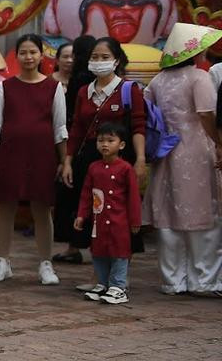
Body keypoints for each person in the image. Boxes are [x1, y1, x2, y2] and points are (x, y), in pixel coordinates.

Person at [142, 24, 222, 296]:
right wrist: (218, 142)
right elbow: (206, 114)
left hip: (166, 151)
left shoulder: (157, 81)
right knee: (203, 213)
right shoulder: (199, 78)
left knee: (168, 214)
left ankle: (172, 280)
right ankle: (204, 279)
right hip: (197, 151)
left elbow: (150, 116)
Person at [0, 34, 67, 286]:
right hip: (10, 154)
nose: (28, 57)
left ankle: (45, 263)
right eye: (23, 52)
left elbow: (60, 128)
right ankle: (3, 261)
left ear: (42, 55)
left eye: (33, 52)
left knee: (42, 208)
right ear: (16, 56)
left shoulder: (54, 87)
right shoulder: (4, 87)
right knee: (6, 207)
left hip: (42, 155)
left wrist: (65, 161)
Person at [59, 37, 147, 262]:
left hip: (121, 160)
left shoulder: (129, 89)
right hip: (88, 159)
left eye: (105, 57)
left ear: (116, 60)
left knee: (118, 210)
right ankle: (97, 270)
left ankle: (119, 273)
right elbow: (77, 128)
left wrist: (139, 159)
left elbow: (138, 126)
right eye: (95, 57)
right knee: (90, 208)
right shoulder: (83, 92)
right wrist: (67, 161)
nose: (99, 62)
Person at [75, 123, 141, 304]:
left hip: (119, 220)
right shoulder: (94, 168)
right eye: (101, 140)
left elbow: (134, 197)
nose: (105, 144)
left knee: (120, 253)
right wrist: (82, 215)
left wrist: (135, 220)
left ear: (121, 145)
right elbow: (87, 194)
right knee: (99, 252)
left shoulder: (126, 168)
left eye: (110, 140)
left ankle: (118, 286)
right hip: (99, 219)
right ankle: (103, 283)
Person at [52, 35, 98, 258]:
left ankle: (76, 245)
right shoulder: (101, 77)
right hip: (92, 146)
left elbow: (71, 119)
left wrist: (66, 156)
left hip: (76, 146)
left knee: (74, 196)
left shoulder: (80, 80)